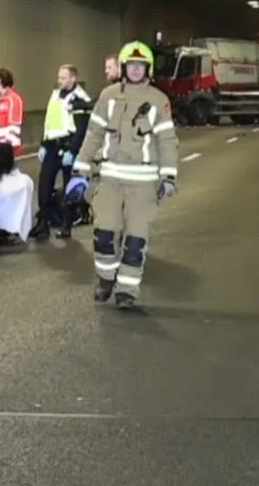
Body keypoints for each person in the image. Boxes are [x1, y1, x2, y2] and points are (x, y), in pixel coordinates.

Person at [78, 42, 179, 308]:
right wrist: (81, 167)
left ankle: (127, 290)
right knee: (104, 235)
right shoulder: (108, 96)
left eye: (140, 66)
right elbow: (94, 134)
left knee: (135, 240)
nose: (135, 70)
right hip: (110, 178)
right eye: (131, 65)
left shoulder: (159, 100)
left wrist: (168, 177)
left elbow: (167, 141)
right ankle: (106, 278)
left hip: (143, 183)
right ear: (123, 68)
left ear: (148, 69)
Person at [32, 63, 94, 241]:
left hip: (68, 147)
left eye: (64, 78)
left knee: (70, 188)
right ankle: (42, 224)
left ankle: (67, 225)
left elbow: (82, 129)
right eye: (59, 77)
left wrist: (73, 151)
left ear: (73, 78)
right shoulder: (55, 94)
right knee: (44, 185)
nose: (59, 81)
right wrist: (44, 143)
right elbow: (49, 121)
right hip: (52, 146)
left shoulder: (80, 98)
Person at [0, 67, 25, 181]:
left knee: (7, 178)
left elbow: (14, 128)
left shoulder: (14, 99)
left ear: (1, 81)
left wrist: (4, 148)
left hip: (5, 147)